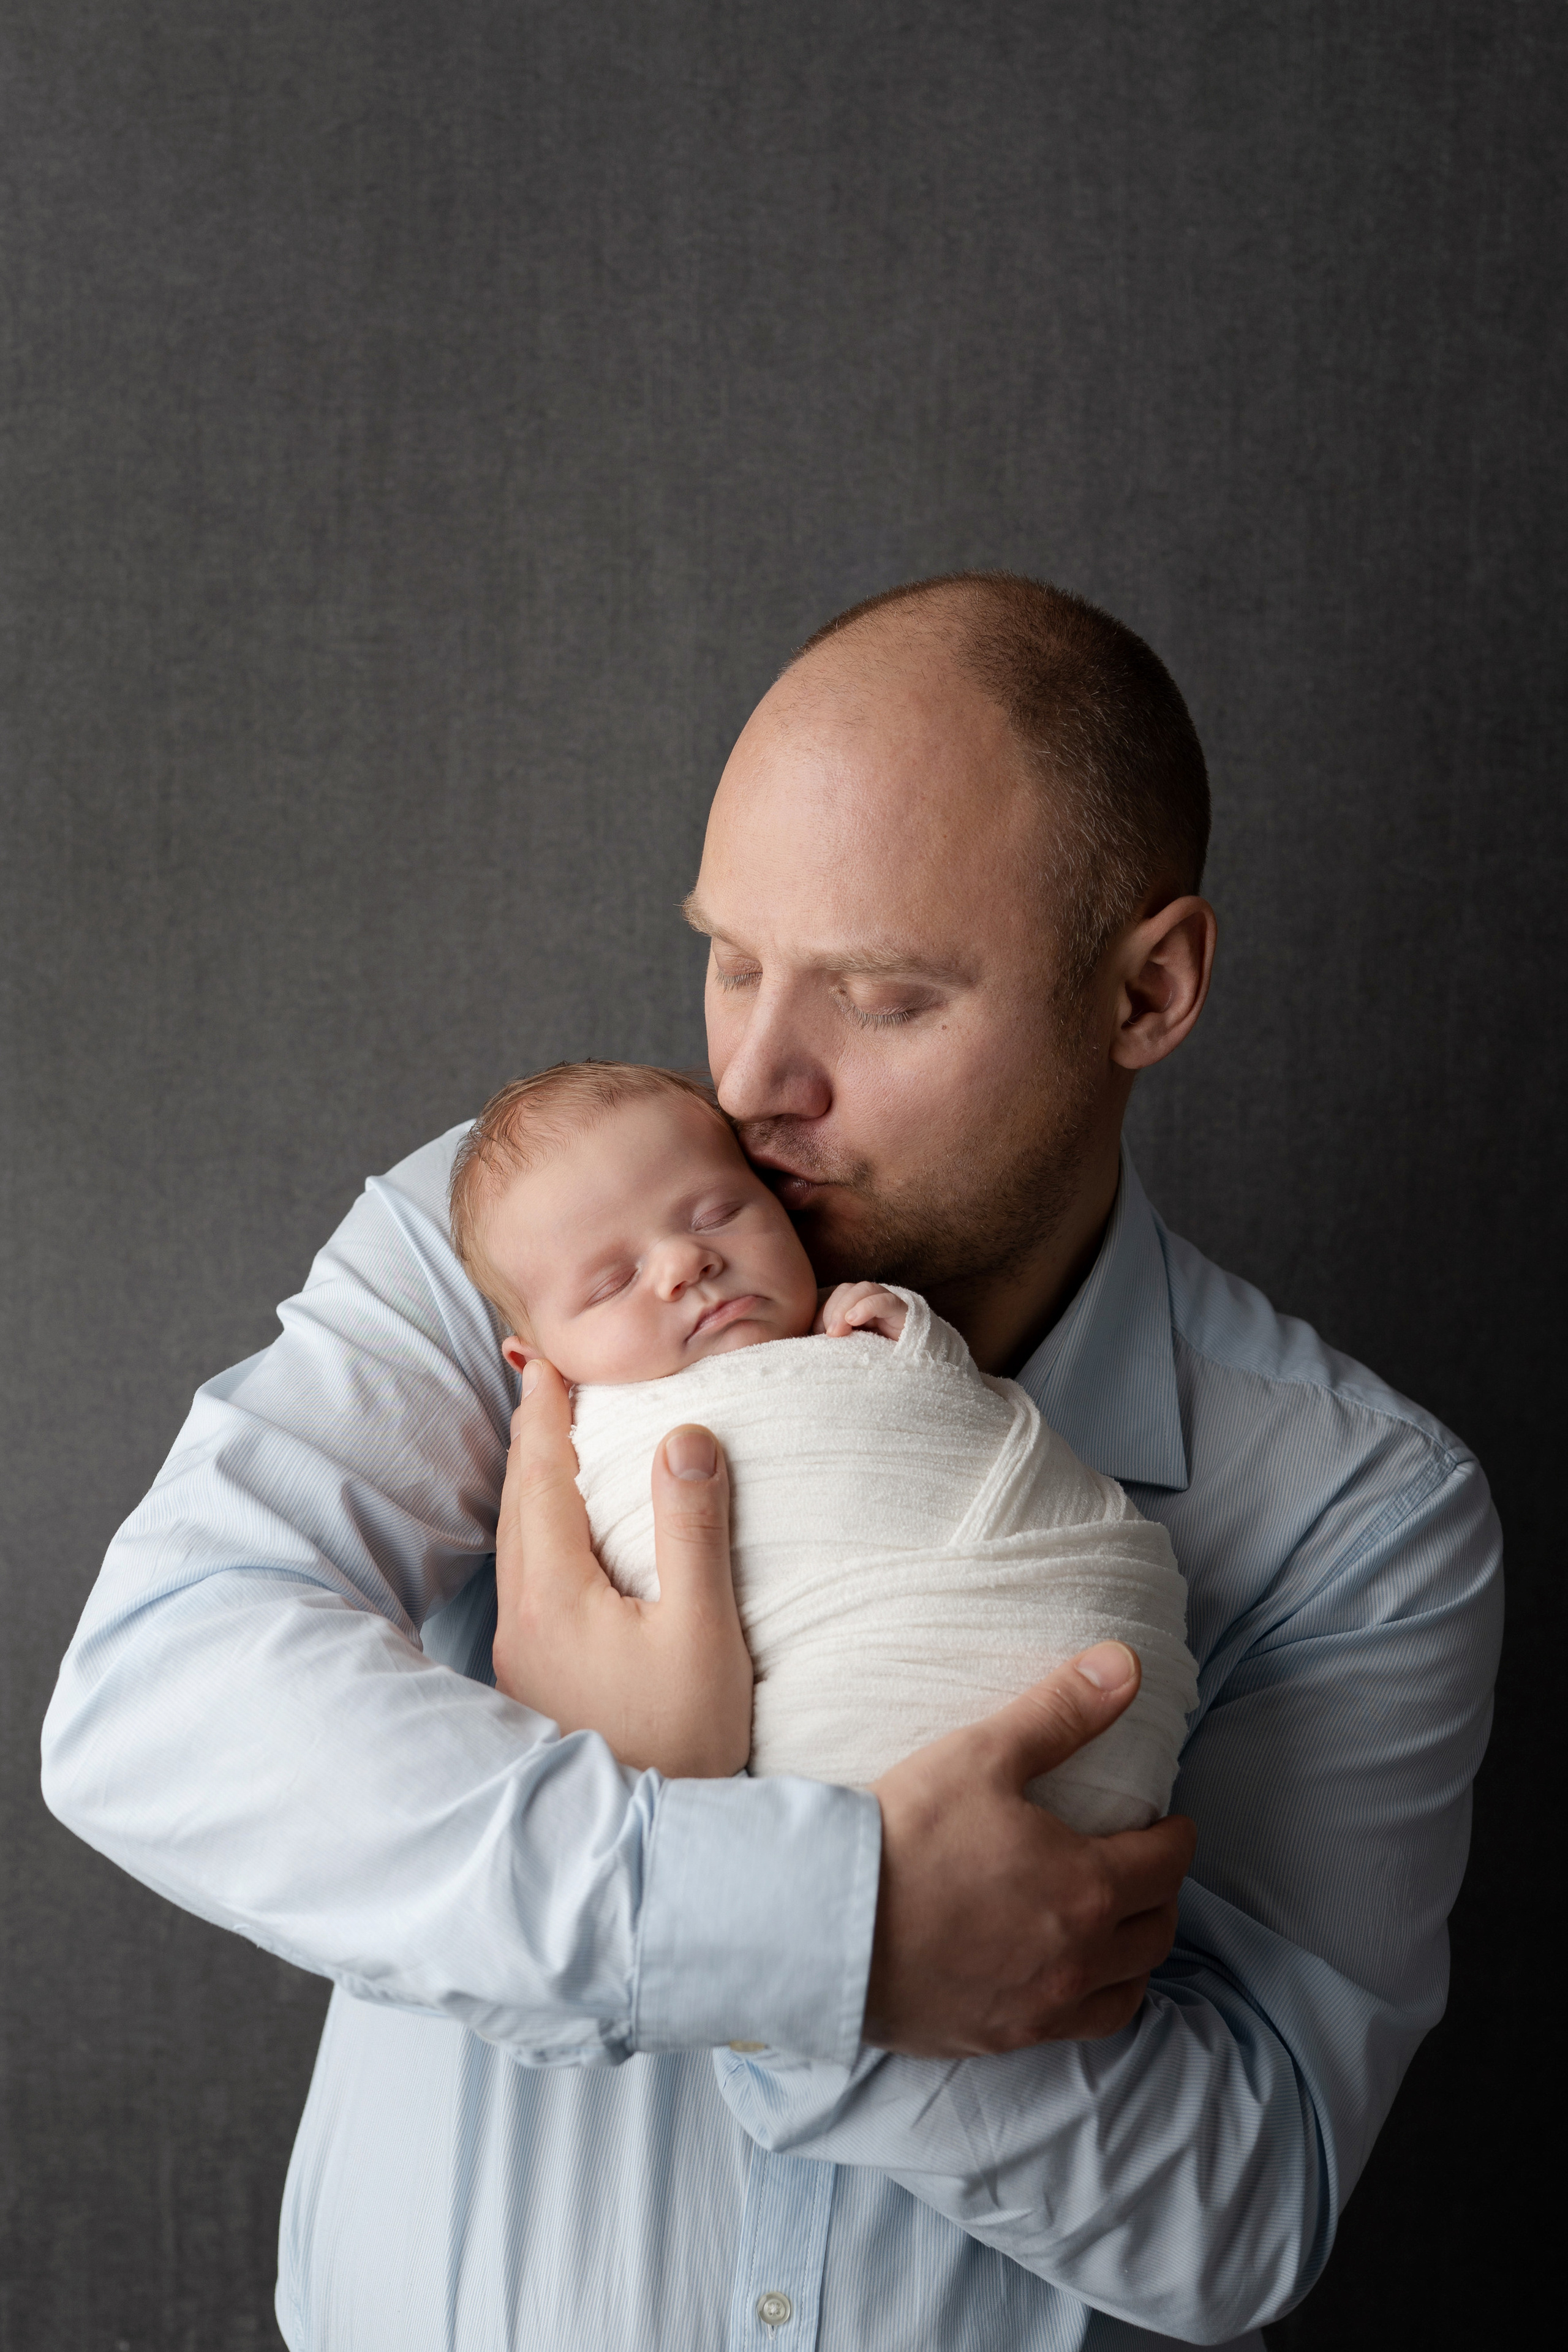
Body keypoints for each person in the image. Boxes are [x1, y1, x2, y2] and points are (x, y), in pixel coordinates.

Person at [40, 573, 1502, 2351]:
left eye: (880, 998)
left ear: (1147, 987)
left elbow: (1241, 2210)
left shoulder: (1354, 1514)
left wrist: (769, 1919)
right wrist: (823, 1929)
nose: (747, 1078)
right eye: (730, 955)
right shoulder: (524, 1235)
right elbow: (155, 1693)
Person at [447, 1056, 1197, 1823]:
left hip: (1095, 1672)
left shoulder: (854, 1331)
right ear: (535, 1358)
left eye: (717, 1214)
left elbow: (947, 1410)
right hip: (844, 1747)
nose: (684, 1261)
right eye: (611, 1282)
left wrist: (910, 1343)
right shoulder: (591, 1442)